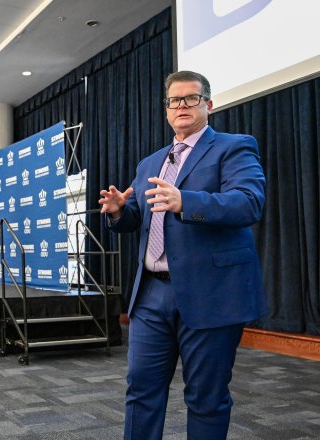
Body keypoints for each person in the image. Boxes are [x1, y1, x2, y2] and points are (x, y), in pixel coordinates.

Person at [98, 71, 266, 439]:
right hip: (151, 295)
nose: (181, 106)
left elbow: (249, 203)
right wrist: (118, 212)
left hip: (210, 292)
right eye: (174, 100)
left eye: (190, 99)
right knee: (140, 391)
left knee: (205, 397)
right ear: (167, 110)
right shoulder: (149, 163)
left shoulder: (234, 146)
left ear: (208, 104)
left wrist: (185, 201)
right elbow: (142, 220)